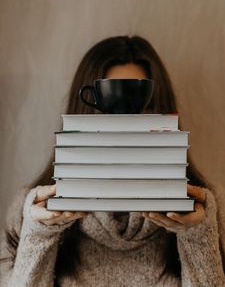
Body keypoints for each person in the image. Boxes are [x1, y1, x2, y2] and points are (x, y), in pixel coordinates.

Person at [0, 35, 224, 287]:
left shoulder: (207, 212)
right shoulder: (30, 211)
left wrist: (197, 235)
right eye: (110, 110)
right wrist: (39, 233)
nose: (124, 128)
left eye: (138, 110)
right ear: (85, 112)